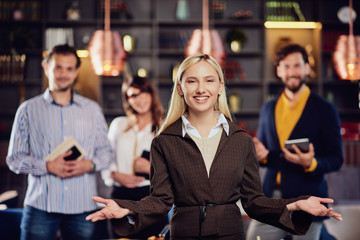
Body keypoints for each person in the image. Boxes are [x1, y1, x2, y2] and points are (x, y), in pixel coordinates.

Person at [86, 53, 342, 240]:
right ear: (180, 88)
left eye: (209, 80)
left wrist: (296, 204)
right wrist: (126, 209)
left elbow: (253, 202)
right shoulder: (164, 141)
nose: (200, 89)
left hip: (230, 234)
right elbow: (160, 201)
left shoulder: (240, 139)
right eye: (191, 81)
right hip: (183, 234)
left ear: (220, 87)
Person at [6, 44, 114, 240]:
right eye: (58, 67)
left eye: (69, 68)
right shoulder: (28, 110)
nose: (63, 74)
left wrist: (89, 164)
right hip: (40, 205)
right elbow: (14, 159)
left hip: (82, 207)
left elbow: (107, 153)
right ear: (47, 68)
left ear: (76, 71)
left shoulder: (92, 109)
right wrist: (46, 166)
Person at [246, 44, 343, 240]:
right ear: (279, 70)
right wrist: (261, 156)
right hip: (272, 198)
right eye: (287, 66)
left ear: (307, 68)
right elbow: (268, 154)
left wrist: (311, 163)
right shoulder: (268, 108)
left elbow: (336, 158)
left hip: (309, 199)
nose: (292, 72)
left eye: (297, 66)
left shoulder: (325, 109)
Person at [101, 75, 167, 239]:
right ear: (127, 100)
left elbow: (177, 168)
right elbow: (105, 156)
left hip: (151, 196)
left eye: (144, 92)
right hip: (120, 195)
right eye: (133, 95)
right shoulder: (118, 125)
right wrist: (114, 174)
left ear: (151, 94)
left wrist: (151, 168)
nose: (140, 99)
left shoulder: (164, 128)